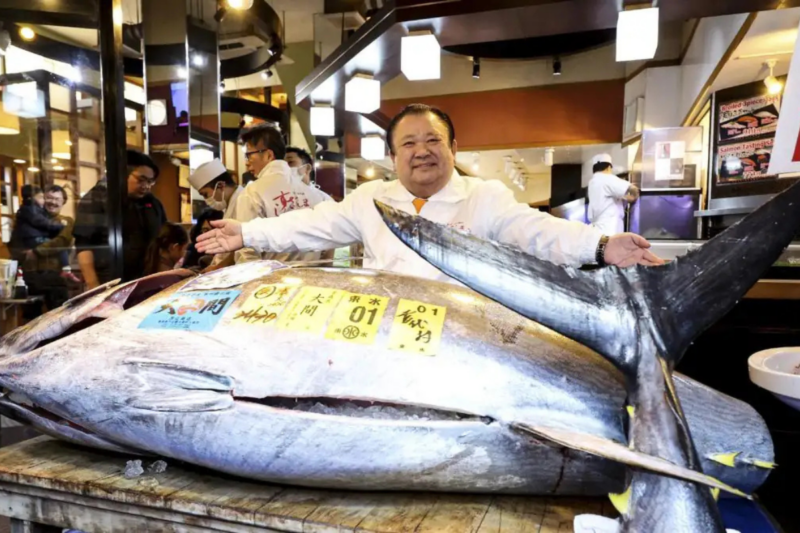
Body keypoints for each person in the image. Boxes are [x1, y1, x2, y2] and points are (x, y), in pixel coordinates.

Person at [197, 104, 663, 281]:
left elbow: (538, 231)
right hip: (385, 334)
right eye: (409, 144)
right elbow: (309, 225)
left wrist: (601, 245)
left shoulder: (486, 196)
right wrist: (247, 232)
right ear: (393, 156)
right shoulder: (371, 199)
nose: (422, 152)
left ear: (453, 147)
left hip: (465, 335)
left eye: (433, 140)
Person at [232, 123, 333, 263]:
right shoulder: (319, 196)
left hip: (272, 281)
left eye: (249, 155)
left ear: (268, 155)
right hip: (312, 278)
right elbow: (329, 244)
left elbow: (246, 250)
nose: (247, 163)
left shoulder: (252, 191)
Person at [74, 149, 167, 289]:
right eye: (141, 180)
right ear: (122, 174)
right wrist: (94, 287)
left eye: (150, 181)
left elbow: (163, 237)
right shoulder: (97, 199)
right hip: (110, 281)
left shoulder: (152, 202)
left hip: (147, 279)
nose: (146, 186)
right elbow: (84, 246)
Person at [587, 154, 640, 235]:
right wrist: (633, 197)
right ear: (608, 167)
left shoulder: (593, 182)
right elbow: (632, 188)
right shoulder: (606, 178)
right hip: (609, 229)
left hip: (598, 229)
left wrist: (623, 199)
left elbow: (605, 200)